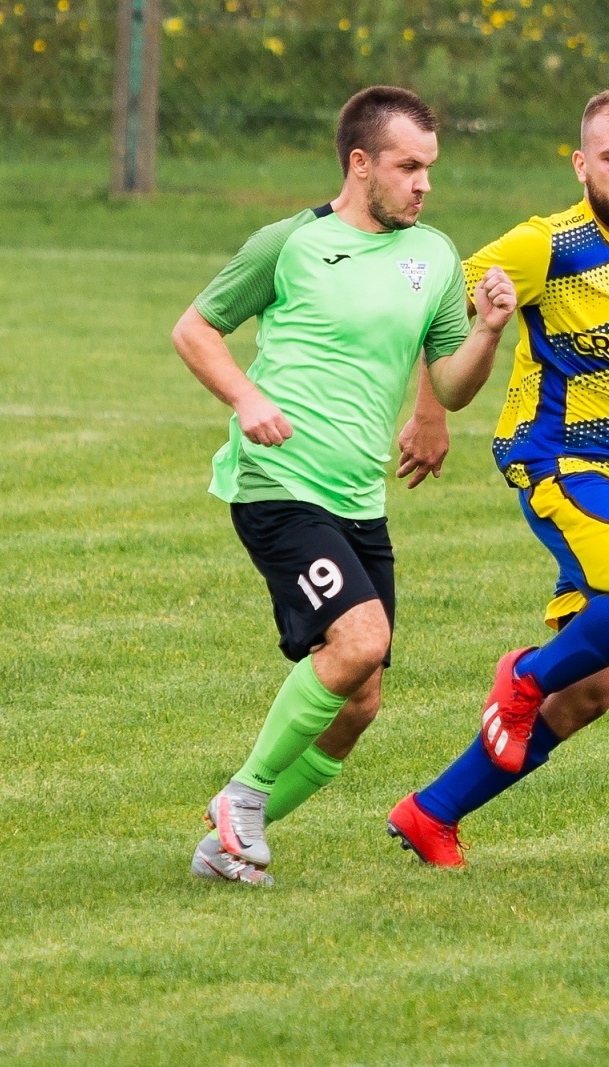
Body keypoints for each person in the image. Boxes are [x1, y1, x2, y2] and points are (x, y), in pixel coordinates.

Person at [386, 86, 609, 867]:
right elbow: (437, 306)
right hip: (558, 461)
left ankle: (432, 812)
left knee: (592, 689)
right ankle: (522, 676)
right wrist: (432, 409)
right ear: (582, 164)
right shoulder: (544, 244)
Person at [171, 85, 517, 885]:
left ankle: (226, 847)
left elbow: (453, 384)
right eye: (408, 166)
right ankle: (244, 797)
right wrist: (247, 397)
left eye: (431, 167)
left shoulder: (433, 256)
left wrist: (490, 329)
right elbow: (195, 329)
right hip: (278, 484)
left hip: (360, 497)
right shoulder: (288, 243)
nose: (425, 183)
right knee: (356, 641)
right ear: (361, 164)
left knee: (359, 700)